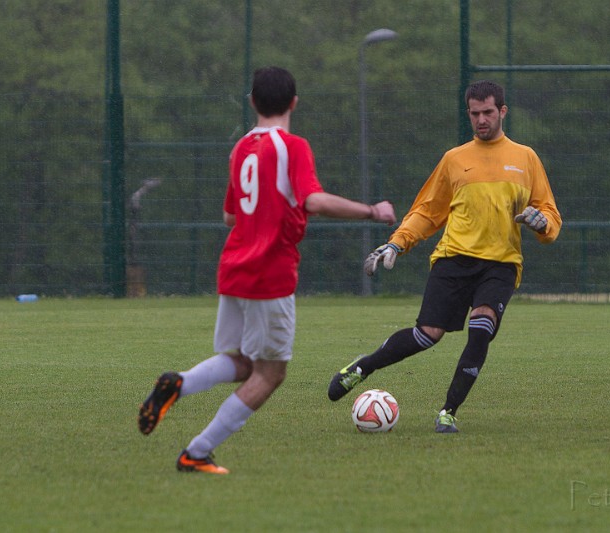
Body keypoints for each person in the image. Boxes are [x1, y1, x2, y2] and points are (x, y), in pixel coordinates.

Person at [138, 66, 396, 474]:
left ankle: (179, 385)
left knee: (241, 362)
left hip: (234, 267)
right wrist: (371, 211)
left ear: (252, 102)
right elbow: (312, 200)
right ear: (294, 103)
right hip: (270, 270)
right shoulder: (292, 146)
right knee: (271, 373)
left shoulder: (240, 148)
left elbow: (228, 216)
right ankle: (198, 451)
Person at [327, 79, 561, 433]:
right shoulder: (455, 160)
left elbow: (549, 215)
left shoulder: (525, 158)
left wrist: (543, 223)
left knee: (482, 329)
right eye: (475, 114)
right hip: (453, 259)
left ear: (502, 112)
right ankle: (362, 368)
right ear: (468, 114)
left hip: (501, 264)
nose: (481, 120)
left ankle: (448, 411)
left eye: (488, 113)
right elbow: (428, 211)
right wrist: (396, 243)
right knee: (427, 335)